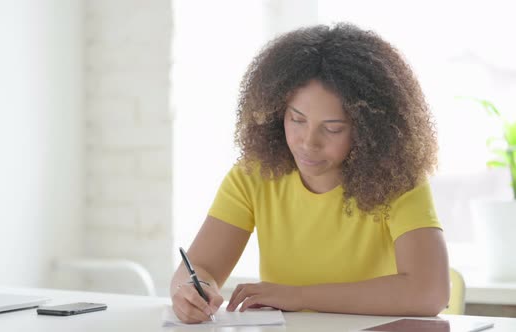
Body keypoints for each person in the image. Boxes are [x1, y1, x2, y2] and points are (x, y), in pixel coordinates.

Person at [170, 23, 449, 324]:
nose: (308, 142)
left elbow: (429, 292)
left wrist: (296, 296)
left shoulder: (397, 180)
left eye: (332, 128)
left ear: (370, 130)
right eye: (297, 119)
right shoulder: (254, 175)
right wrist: (192, 291)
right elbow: (198, 267)